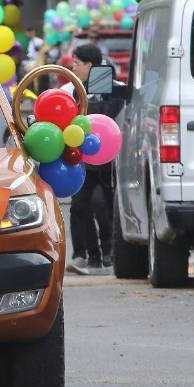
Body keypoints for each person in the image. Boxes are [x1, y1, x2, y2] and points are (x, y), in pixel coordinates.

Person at [60, 44, 124, 275]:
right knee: (79, 206)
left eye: (77, 62)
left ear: (90, 65)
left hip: (107, 159)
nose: (73, 66)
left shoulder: (113, 88)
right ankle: (86, 255)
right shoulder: (72, 90)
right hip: (81, 158)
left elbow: (109, 114)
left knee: (105, 206)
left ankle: (109, 253)